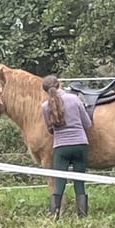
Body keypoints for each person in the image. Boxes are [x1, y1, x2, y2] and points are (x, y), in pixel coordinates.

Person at [41, 75, 93, 217]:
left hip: (61, 147)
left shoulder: (45, 107)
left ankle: (54, 216)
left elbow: (50, 130)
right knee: (79, 182)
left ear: (45, 90)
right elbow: (87, 124)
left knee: (59, 183)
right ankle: (82, 217)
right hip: (80, 145)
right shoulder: (75, 99)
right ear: (60, 84)